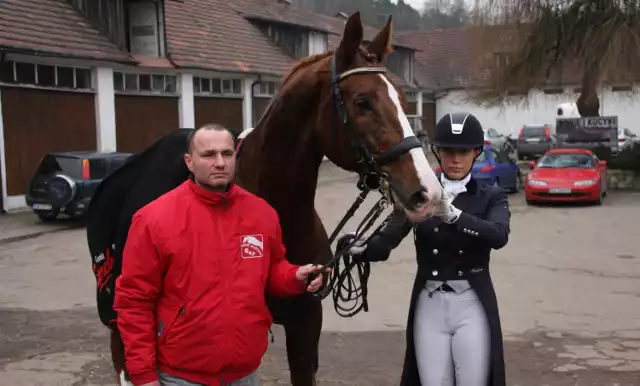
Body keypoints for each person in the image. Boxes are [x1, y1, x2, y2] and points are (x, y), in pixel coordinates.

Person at [113, 123, 327, 386]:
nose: (220, 162)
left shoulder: (262, 214)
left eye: (227, 154)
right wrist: (144, 376)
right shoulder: (153, 219)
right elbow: (134, 301)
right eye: (208, 155)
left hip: (244, 374)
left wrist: (296, 276)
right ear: (189, 162)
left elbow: (270, 272)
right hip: (180, 377)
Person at [348, 112, 510, 386]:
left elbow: (498, 235)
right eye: (448, 151)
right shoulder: (419, 194)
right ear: (437, 152)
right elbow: (386, 242)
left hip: (471, 303)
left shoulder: (491, 196)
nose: (455, 159)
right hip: (429, 304)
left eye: (463, 151)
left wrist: (455, 216)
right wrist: (360, 247)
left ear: (476, 153)